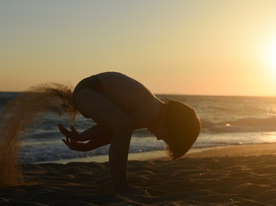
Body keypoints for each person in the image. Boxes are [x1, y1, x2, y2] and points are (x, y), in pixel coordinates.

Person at [58, 72, 201, 192]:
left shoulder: (152, 110)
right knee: (123, 127)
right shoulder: (151, 112)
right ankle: (120, 185)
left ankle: (120, 183)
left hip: (90, 90)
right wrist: (84, 139)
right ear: (172, 125)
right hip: (91, 91)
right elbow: (119, 130)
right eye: (166, 137)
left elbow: (112, 130)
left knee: (122, 127)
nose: (158, 138)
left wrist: (85, 142)